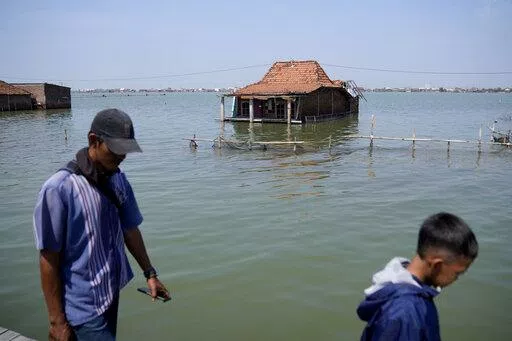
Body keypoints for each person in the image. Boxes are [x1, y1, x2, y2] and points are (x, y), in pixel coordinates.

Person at [33, 108, 169, 341]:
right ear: (93, 140)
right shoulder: (59, 189)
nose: (122, 157)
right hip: (81, 308)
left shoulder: (118, 179)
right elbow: (48, 257)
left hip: (110, 294)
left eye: (126, 151)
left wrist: (150, 273)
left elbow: (130, 229)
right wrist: (56, 321)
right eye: (116, 151)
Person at [357, 212, 478, 341]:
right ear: (437, 265)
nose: (456, 279)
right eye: (457, 273)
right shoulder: (404, 312)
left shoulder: (409, 290)